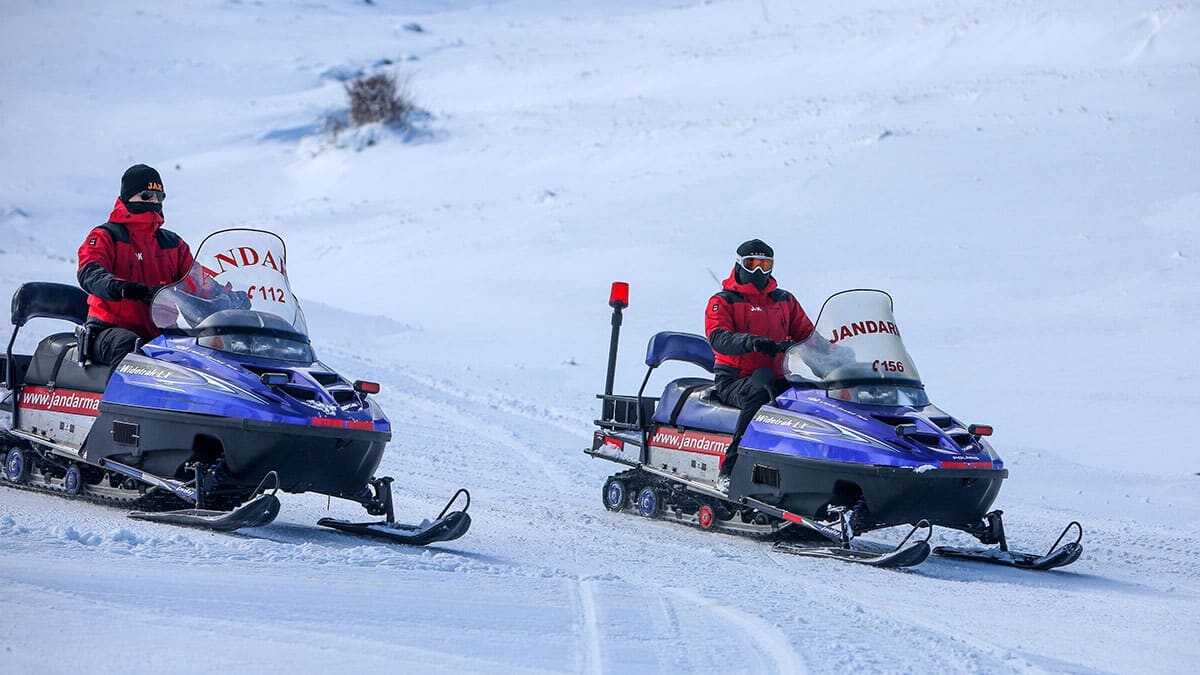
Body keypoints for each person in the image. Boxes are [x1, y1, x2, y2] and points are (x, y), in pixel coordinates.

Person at [705, 239, 815, 484]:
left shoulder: (784, 301)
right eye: (752, 264)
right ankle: (731, 469)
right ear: (739, 265)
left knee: (813, 396)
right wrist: (751, 342)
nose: (758, 271)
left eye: (765, 265)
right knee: (761, 393)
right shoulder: (723, 301)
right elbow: (718, 336)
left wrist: (836, 355)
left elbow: (808, 335)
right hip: (735, 379)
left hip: (779, 376)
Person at [76, 164, 194, 365]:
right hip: (109, 330)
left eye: (160, 197)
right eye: (147, 195)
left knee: (201, 350)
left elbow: (197, 282)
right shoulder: (107, 236)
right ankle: (119, 397)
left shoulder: (173, 244)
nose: (154, 202)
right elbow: (90, 271)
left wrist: (223, 295)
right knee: (129, 348)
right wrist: (119, 286)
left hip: (160, 332)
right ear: (128, 197)